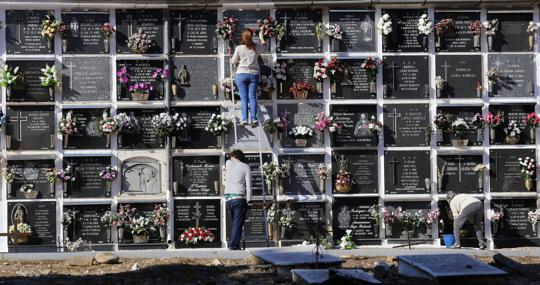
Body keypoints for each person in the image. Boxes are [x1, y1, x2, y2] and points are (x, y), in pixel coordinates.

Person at [230, 28, 267, 127]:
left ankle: (245, 119)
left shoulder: (239, 48)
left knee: (244, 98)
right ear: (251, 36)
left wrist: (233, 57)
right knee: (252, 97)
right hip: (253, 74)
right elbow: (265, 47)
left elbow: (233, 62)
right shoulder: (256, 47)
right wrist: (261, 37)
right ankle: (254, 119)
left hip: (241, 74)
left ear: (243, 37)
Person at [224, 149, 252, 250]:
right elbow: (249, 185)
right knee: (238, 223)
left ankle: (234, 243)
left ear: (234, 156)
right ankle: (233, 245)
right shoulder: (245, 167)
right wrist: (248, 199)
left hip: (228, 198)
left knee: (234, 223)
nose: (230, 157)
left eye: (232, 156)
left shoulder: (228, 163)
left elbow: (230, 160)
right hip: (239, 197)